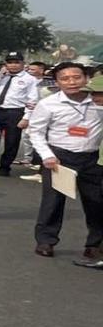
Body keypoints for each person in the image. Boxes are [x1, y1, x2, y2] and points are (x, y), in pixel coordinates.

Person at [27, 61, 103, 261]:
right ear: (57, 82)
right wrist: (47, 155)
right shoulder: (48, 104)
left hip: (91, 158)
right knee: (53, 201)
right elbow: (35, 132)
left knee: (96, 202)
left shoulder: (97, 102)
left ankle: (94, 244)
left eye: (77, 77)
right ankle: (46, 241)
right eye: (65, 78)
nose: (72, 82)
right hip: (59, 157)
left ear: (86, 79)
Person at [0, 50, 40, 175]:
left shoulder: (30, 79)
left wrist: (26, 117)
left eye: (16, 62)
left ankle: (5, 166)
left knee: (11, 141)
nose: (13, 65)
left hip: (15, 112)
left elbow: (32, 99)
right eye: (10, 62)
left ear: (23, 63)